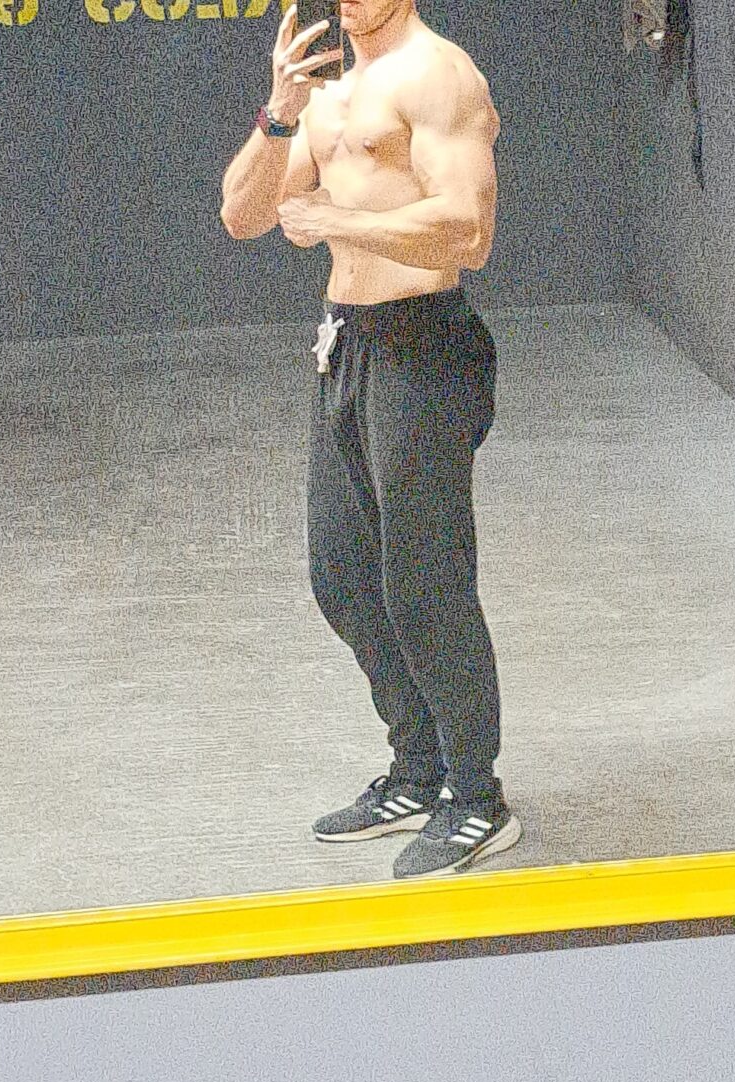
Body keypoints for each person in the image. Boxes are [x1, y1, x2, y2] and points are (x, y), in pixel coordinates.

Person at [218, 0, 520, 878]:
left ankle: (476, 796)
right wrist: (278, 113)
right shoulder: (326, 96)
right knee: (343, 577)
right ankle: (419, 770)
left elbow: (469, 230)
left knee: (426, 582)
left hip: (425, 343)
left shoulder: (439, 75)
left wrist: (338, 223)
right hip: (346, 343)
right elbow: (242, 215)